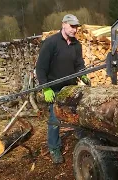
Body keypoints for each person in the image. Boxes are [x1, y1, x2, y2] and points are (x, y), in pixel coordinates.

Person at [35, 14, 90, 164]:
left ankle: (81, 137)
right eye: (72, 26)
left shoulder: (76, 45)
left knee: (76, 114)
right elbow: (40, 68)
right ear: (63, 24)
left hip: (71, 88)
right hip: (55, 89)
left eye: (76, 27)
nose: (75, 29)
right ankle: (54, 148)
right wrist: (45, 88)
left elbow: (79, 64)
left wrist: (83, 75)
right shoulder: (50, 43)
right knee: (55, 120)